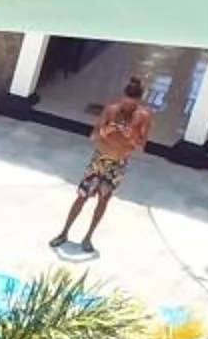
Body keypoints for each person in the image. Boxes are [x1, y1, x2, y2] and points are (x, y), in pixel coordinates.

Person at [51, 79, 155, 257]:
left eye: (132, 103)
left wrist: (130, 137)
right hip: (100, 159)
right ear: (123, 97)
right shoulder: (111, 110)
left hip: (118, 163)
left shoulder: (143, 117)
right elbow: (94, 135)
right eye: (126, 102)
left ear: (138, 101)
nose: (128, 107)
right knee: (82, 197)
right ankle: (64, 232)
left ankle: (89, 236)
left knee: (103, 199)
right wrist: (107, 131)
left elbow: (142, 145)